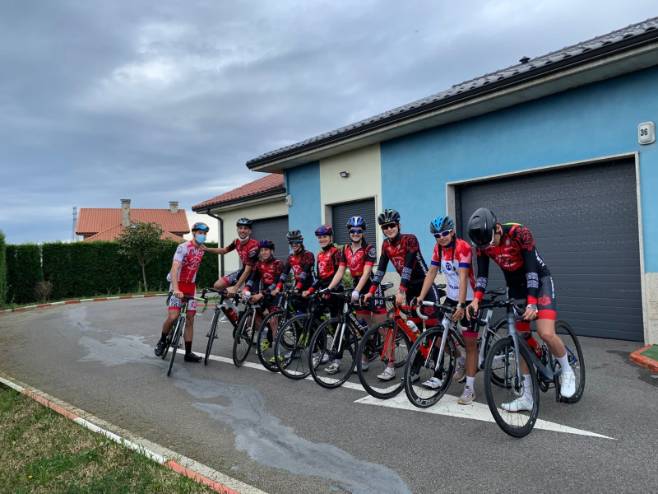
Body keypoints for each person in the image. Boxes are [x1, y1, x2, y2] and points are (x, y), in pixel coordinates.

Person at [466, 207, 576, 411]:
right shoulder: (482, 244)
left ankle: (567, 370)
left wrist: (532, 302)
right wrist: (476, 300)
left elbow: (532, 270)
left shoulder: (520, 233)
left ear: (497, 229)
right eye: (484, 246)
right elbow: (482, 275)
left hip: (539, 281)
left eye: (490, 242)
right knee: (521, 341)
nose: (489, 248)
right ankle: (527, 397)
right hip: (515, 287)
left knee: (545, 332)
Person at [363, 208, 441, 381]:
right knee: (415, 331)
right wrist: (370, 291)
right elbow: (380, 269)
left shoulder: (410, 240)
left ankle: (441, 370)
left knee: (433, 331)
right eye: (385, 227)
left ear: (399, 225)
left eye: (391, 225)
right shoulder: (386, 245)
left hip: (425, 287)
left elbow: (408, 266)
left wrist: (401, 290)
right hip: (410, 290)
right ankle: (415, 370)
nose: (389, 229)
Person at [418, 216, 476, 404]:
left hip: (468, 298)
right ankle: (459, 360)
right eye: (437, 235)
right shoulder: (438, 248)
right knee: (439, 337)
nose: (441, 237)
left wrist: (461, 305)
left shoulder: (462, 247)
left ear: (452, 231)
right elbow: (431, 272)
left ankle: (470, 388)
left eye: (444, 233)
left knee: (470, 344)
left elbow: (463, 277)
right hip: (451, 297)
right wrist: (420, 297)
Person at [322, 216, 386, 374]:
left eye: (359, 230)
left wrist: (357, 290)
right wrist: (329, 288)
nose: (355, 233)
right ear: (349, 232)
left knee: (380, 327)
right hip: (357, 285)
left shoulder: (369, 248)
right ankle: (364, 358)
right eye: (352, 231)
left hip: (370, 286)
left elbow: (366, 273)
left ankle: (388, 360)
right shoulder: (345, 249)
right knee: (361, 327)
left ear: (363, 231)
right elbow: (340, 271)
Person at [154, 222, 209, 362]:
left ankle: (188, 353)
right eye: (200, 233)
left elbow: (221, 251)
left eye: (204, 233)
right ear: (194, 233)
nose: (202, 235)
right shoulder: (182, 247)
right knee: (173, 316)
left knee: (190, 319)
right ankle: (162, 340)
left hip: (191, 286)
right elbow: (174, 269)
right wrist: (176, 289)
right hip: (177, 284)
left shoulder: (202, 249)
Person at [208, 218, 259, 295]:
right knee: (218, 285)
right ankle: (233, 298)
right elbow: (224, 250)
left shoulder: (254, 245)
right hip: (244, 269)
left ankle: (239, 293)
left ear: (250, 231)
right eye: (240, 228)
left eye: (245, 228)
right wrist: (206, 249)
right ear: (237, 230)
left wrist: (235, 287)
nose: (242, 230)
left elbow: (248, 270)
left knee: (249, 298)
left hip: (254, 272)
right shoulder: (236, 242)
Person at [243, 240, 284, 333]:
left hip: (276, 294)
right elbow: (252, 279)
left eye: (266, 250)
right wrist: (246, 288)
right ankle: (264, 333)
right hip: (265, 294)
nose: (263, 252)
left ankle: (276, 341)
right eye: (261, 250)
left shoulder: (278, 263)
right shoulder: (259, 264)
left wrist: (260, 294)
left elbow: (275, 283)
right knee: (253, 314)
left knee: (273, 320)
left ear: (271, 251)